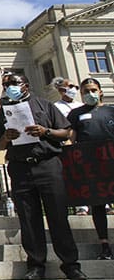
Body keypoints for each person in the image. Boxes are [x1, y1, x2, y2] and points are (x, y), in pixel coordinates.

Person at [0, 73, 86, 280]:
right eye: (5, 85)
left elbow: (66, 133)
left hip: (48, 165)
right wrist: (6, 137)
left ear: (25, 85)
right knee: (28, 218)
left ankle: (70, 264)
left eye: (13, 83)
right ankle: (35, 264)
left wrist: (45, 131)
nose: (9, 88)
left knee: (58, 216)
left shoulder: (44, 105)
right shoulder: (5, 111)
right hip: (20, 168)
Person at [67, 77, 114, 260]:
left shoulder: (111, 110)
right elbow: (71, 138)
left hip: (111, 162)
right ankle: (104, 244)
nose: (90, 94)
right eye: (86, 91)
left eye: (93, 90)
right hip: (92, 166)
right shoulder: (76, 114)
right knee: (98, 205)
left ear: (100, 91)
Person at [51, 76, 88, 215]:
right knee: (75, 174)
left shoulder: (81, 105)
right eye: (71, 87)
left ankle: (105, 203)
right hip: (68, 145)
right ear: (61, 90)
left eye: (76, 87)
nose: (74, 90)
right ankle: (81, 207)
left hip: (85, 143)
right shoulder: (56, 107)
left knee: (91, 172)